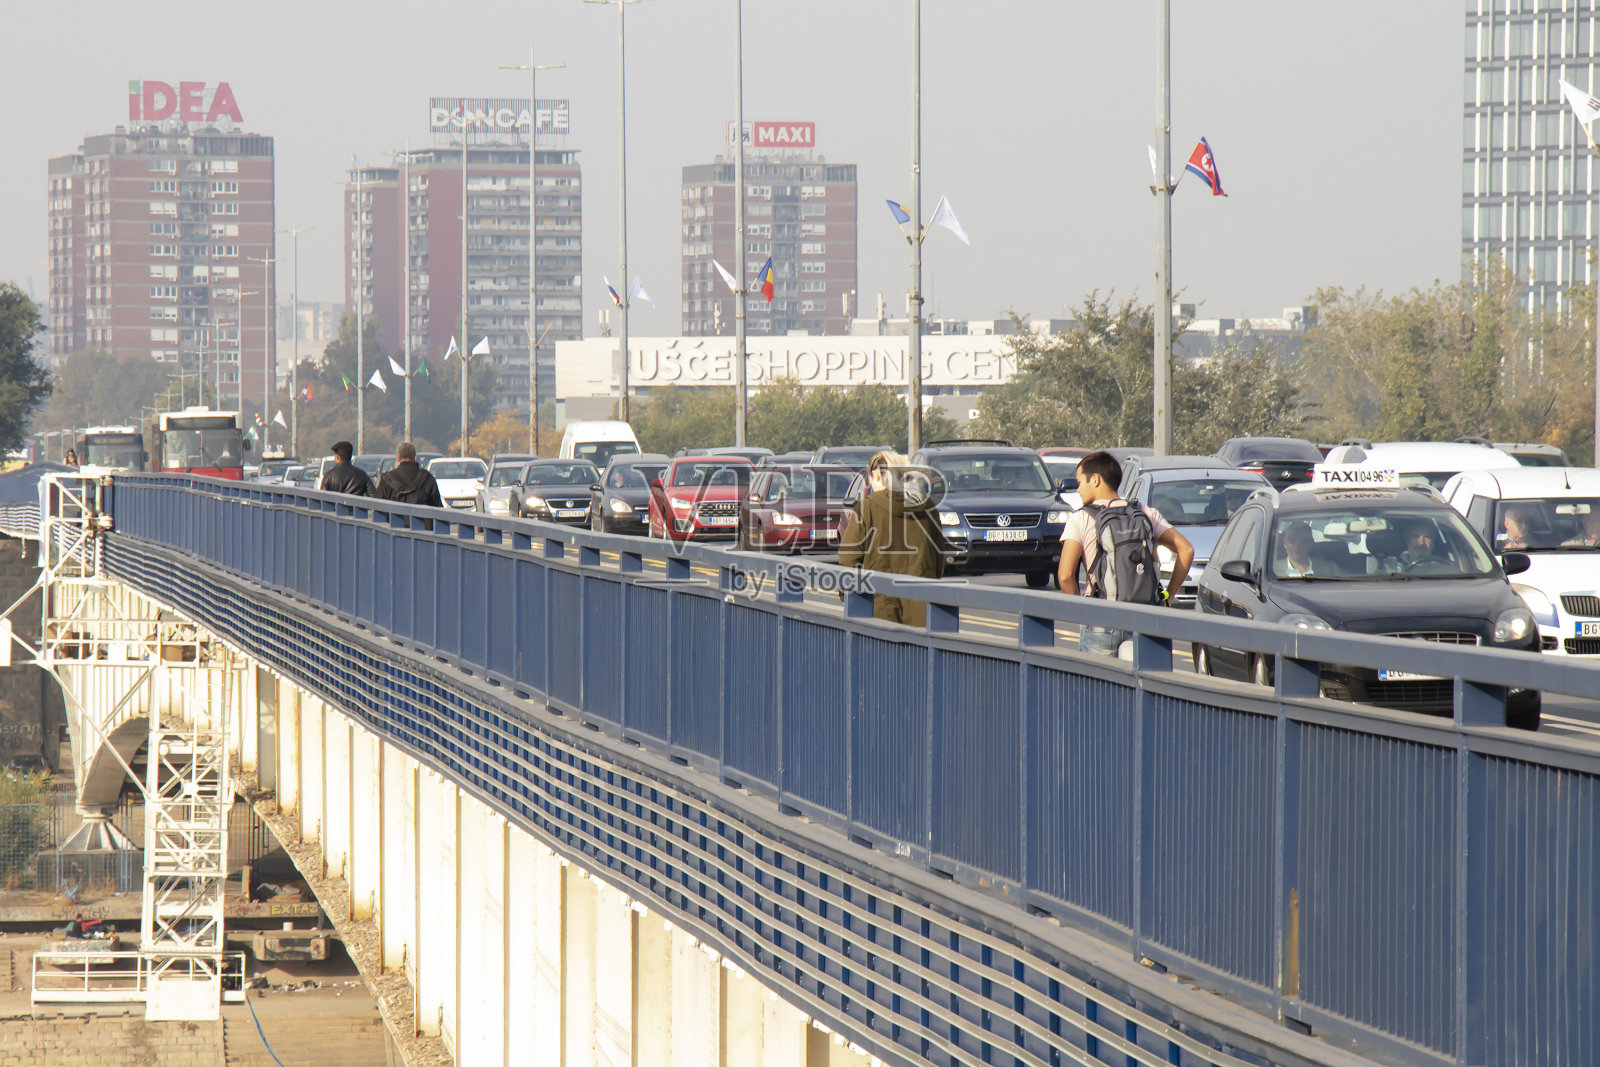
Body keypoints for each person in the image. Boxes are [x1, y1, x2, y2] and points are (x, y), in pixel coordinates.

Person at [1057, 450, 1194, 657]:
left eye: (1080, 482)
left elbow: (1065, 576)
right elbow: (1186, 549)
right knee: (1145, 684)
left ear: (1095, 480)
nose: (1078, 489)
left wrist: (1080, 613)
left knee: (1097, 687)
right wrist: (1168, 596)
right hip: (1146, 616)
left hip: (1100, 618)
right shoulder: (1145, 513)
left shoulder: (1081, 518)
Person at [837, 451, 948, 627]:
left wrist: (848, 595)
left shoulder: (867, 508)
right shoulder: (928, 508)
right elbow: (938, 557)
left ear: (878, 476)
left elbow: (848, 559)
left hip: (877, 607)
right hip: (921, 608)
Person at [373, 442, 443, 507]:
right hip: (422, 519)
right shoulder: (426, 477)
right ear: (415, 458)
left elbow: (377, 506)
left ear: (397, 458)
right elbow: (437, 506)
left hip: (394, 519)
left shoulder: (388, 479)